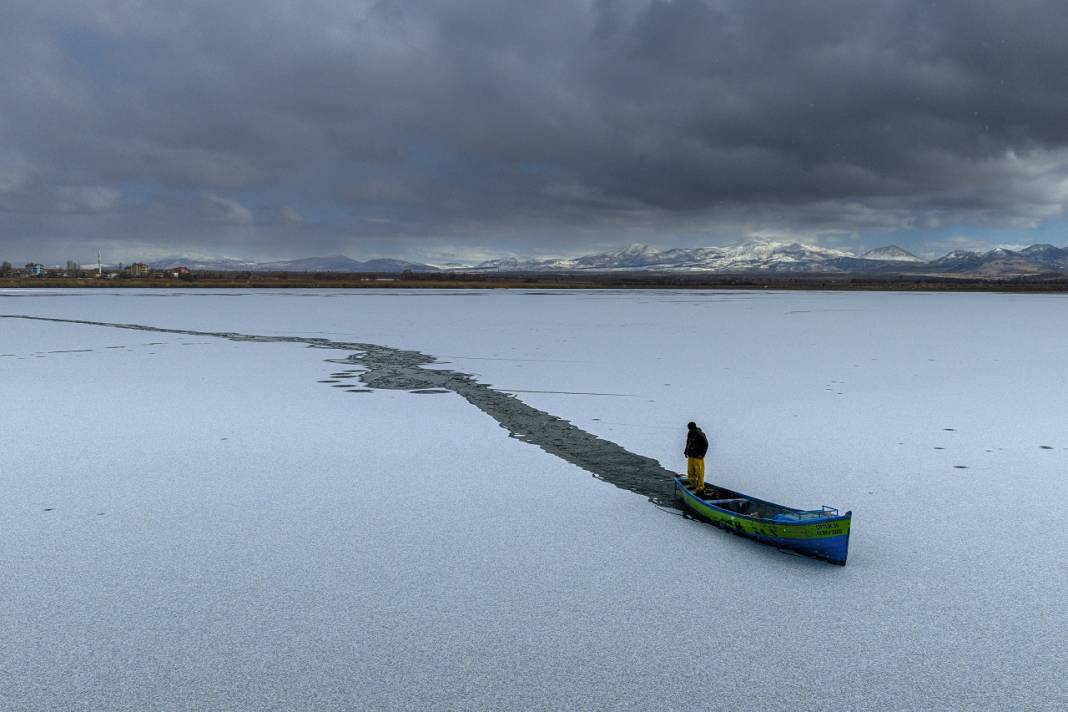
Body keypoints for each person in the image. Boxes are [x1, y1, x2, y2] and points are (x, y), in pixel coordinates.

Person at [684, 421, 709, 494]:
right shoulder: (690, 433)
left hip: (698, 457)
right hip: (691, 455)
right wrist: (686, 451)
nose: (688, 428)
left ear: (692, 427)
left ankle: (701, 487)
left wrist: (702, 454)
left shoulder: (700, 434)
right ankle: (693, 484)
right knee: (690, 471)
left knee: (699, 472)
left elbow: (706, 444)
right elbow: (688, 443)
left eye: (689, 427)